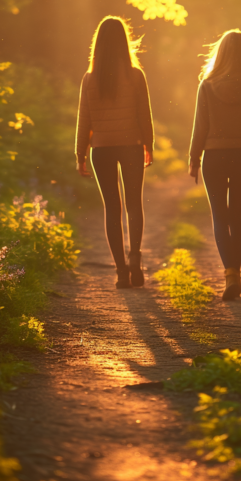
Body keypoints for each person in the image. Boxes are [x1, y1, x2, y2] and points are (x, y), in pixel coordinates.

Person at [75, 16, 154, 289]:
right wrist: (149, 144)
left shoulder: (89, 78)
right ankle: (135, 259)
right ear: (124, 42)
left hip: (102, 150)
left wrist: (80, 154)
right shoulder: (135, 75)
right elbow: (145, 114)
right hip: (131, 145)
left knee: (112, 208)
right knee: (134, 205)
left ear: (97, 45)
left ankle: (121, 271)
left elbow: (83, 119)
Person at [188, 29, 241, 301]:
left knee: (220, 216)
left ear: (220, 53)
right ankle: (235, 273)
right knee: (235, 216)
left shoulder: (207, 85)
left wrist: (194, 158)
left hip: (215, 157)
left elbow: (201, 127)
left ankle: (231, 274)